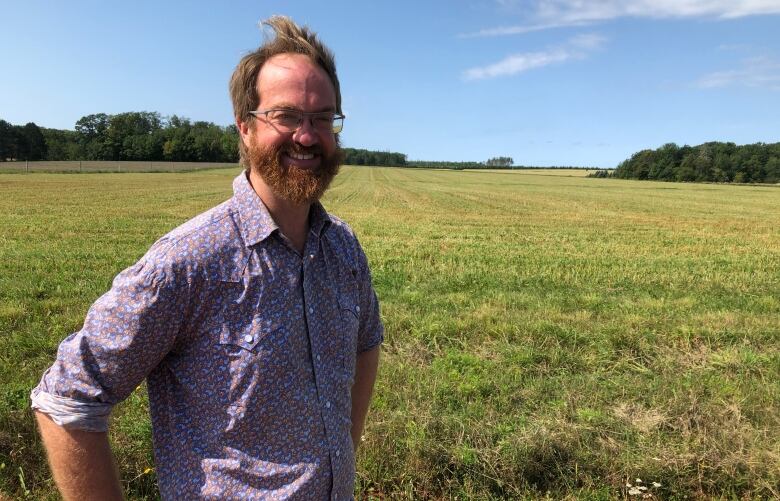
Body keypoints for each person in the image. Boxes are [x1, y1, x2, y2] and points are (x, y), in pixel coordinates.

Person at [31, 16, 382, 500]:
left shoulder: (342, 250)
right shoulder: (190, 262)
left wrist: (343, 451)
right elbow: (66, 398)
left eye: (323, 118)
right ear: (245, 127)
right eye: (286, 116)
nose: (307, 135)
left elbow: (367, 341)